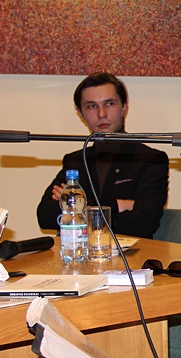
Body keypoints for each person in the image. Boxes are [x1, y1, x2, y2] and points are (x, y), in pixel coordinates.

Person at [37, 72, 169, 239]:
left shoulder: (150, 159)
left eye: (109, 104)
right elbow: (45, 215)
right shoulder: (76, 161)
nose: (101, 114)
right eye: (91, 106)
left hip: (130, 253)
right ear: (80, 113)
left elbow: (143, 223)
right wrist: (117, 205)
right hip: (79, 251)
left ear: (124, 106)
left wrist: (76, 208)